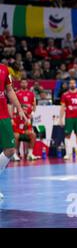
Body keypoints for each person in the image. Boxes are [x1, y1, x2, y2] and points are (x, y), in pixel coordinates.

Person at [0, 64, 27, 199]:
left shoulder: (4, 69)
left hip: (3, 116)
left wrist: (20, 109)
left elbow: (9, 90)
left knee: (10, 150)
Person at [59, 79, 77, 160]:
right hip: (69, 118)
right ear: (69, 85)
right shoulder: (65, 95)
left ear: (75, 84)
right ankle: (67, 154)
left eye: (73, 83)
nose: (72, 84)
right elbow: (62, 107)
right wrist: (61, 119)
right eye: (70, 83)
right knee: (68, 135)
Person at [11, 79, 37, 161]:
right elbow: (13, 105)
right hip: (18, 120)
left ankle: (30, 154)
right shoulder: (17, 93)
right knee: (16, 135)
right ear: (20, 83)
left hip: (27, 118)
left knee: (32, 134)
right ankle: (15, 154)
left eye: (25, 82)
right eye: (22, 82)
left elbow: (34, 105)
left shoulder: (31, 94)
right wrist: (12, 116)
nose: (24, 84)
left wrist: (32, 114)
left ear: (27, 84)